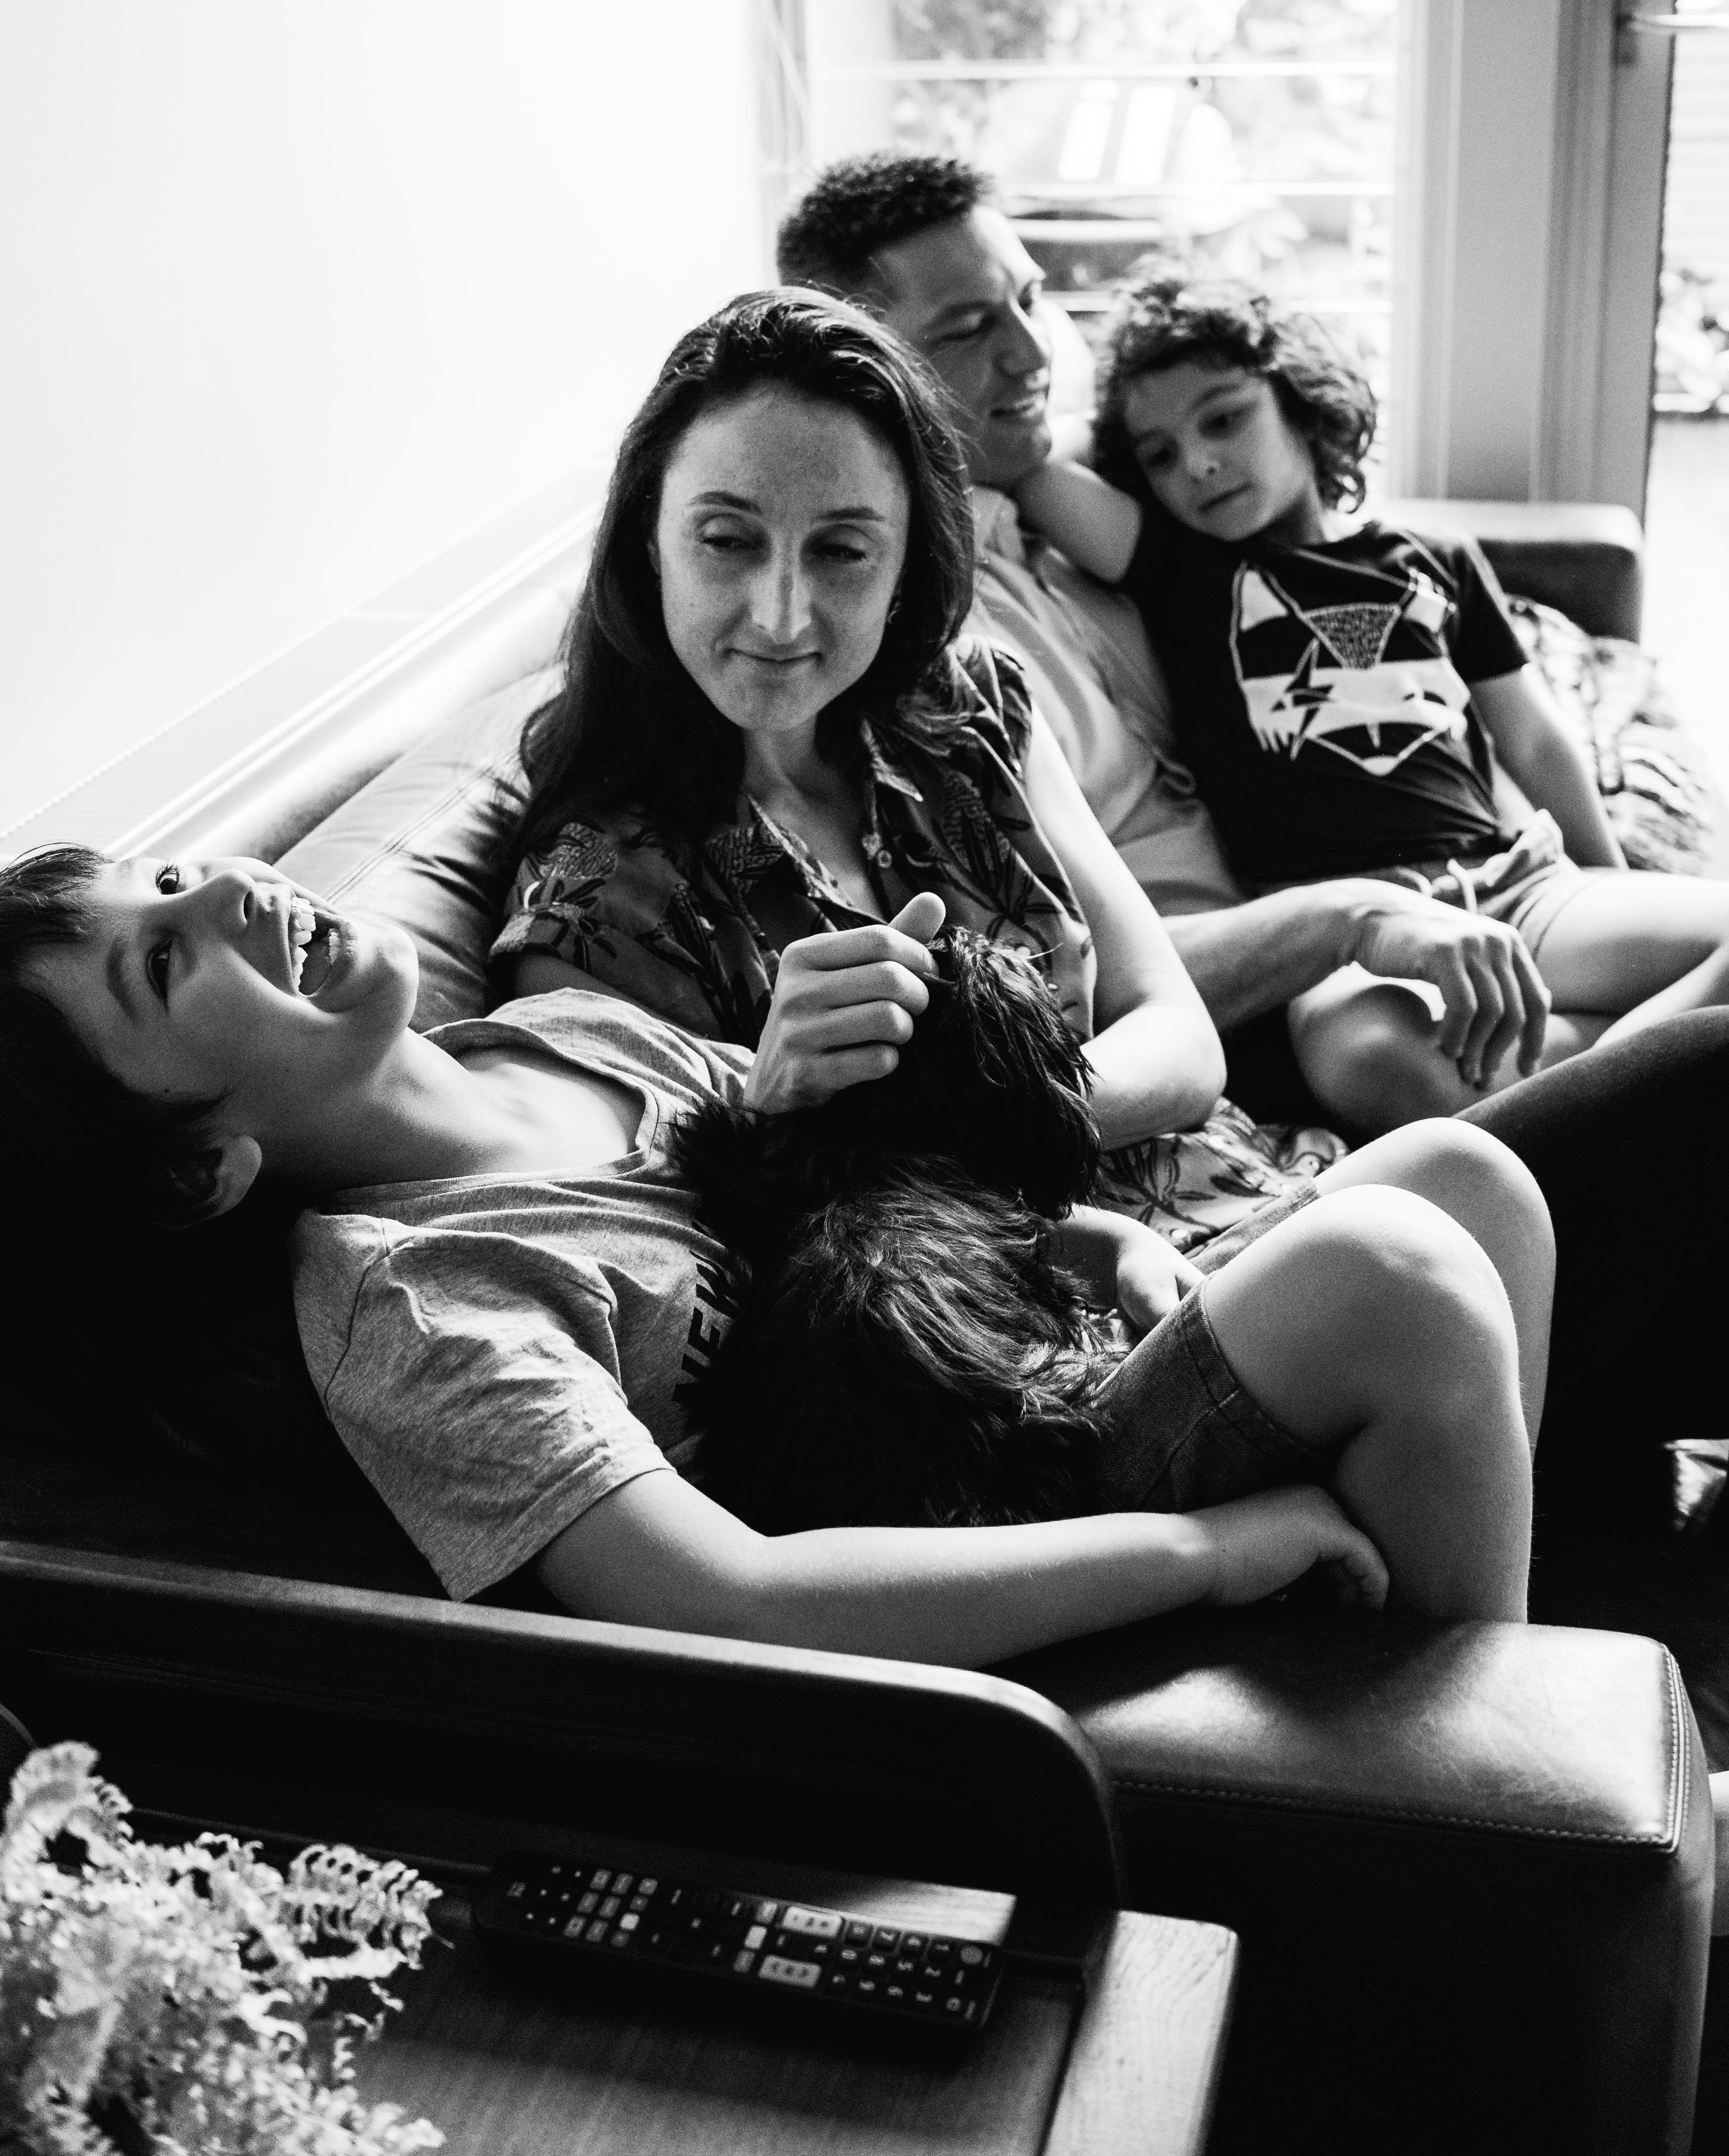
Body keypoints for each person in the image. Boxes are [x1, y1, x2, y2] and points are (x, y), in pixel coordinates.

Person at [2, 842, 1550, 1648]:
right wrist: (1207, 1551)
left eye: (163, 873)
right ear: (202, 1169)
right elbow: (727, 1594)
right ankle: (1490, 1825)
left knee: (1463, 1177)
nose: (218, 887)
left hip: (1029, 1358)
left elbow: (851, 1203)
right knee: (1394, 1275)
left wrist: (1089, 1243)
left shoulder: (559, 1033)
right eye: (160, 955)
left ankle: (1459, 1690)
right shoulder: (415, 1307)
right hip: (964, 1510)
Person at [494, 286, 1337, 1253]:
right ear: (650, 540)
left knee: (1469, 1181)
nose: (780, 614)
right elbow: (639, 1241)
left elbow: (1180, 1037)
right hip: (1052, 1321)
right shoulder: (593, 901)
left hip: (1250, 1191)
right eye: (727, 539)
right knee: (1438, 1214)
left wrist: (970, 1123)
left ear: (904, 569)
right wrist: (779, 1110)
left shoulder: (975, 710)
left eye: (843, 550)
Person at [772, 154, 1590, 1134]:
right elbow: (1068, 975)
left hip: (1433, 891)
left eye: (1031, 299)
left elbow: (1184, 421)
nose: (1034, 354)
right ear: (867, 372)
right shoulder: (907, 640)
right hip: (1258, 990)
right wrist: (1350, 916)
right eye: (969, 328)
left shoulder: (1052, 500)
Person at [1014, 267, 1729, 1137]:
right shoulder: (1173, 566)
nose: (1196, 462)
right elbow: (1026, 460)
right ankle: (1652, 1074)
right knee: (1371, 1066)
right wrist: (1117, 433)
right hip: (1349, 940)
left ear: (1303, 400)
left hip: (1516, 885)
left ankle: (1586, 1095)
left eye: (1225, 417)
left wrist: (1602, 879)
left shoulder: (1436, 558)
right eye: (1158, 454)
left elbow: (1535, 743)